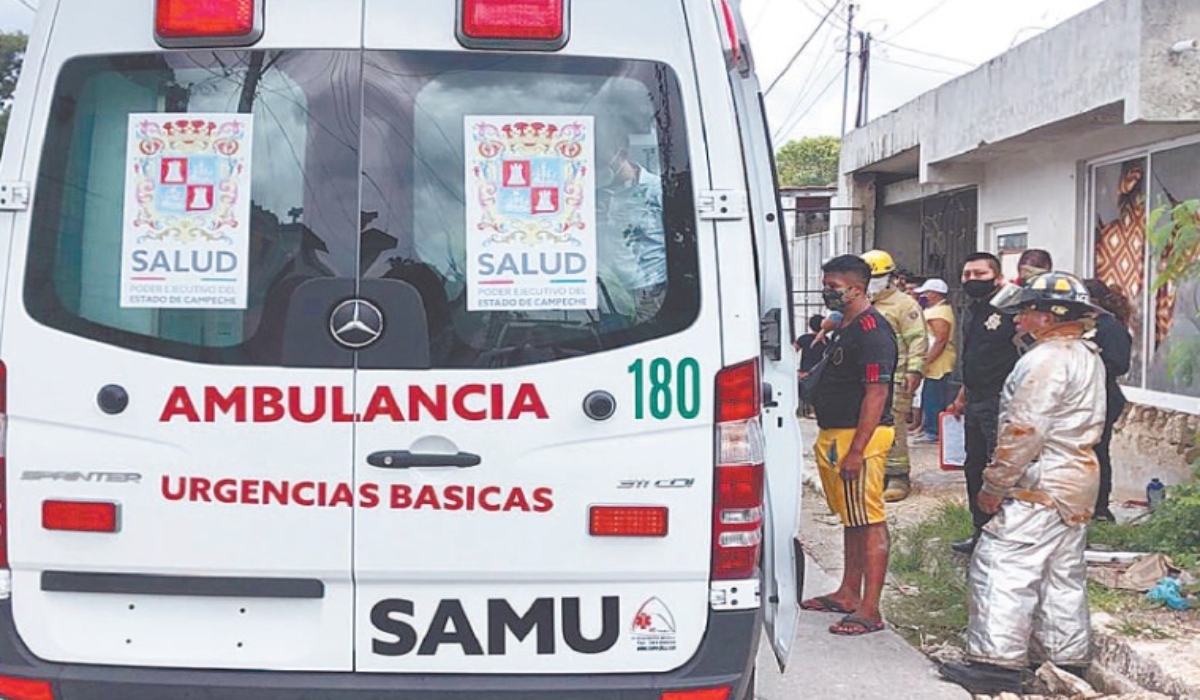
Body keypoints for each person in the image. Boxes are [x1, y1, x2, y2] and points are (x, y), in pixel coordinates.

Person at [939, 271, 1106, 695]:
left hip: (1041, 481)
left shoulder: (1045, 360)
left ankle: (995, 663)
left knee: (1002, 564)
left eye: (1026, 312)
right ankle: (1065, 658)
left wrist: (994, 483)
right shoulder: (1086, 354)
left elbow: (1025, 430)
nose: (1017, 319)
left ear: (1050, 317)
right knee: (1060, 572)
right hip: (1076, 481)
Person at [799, 254, 897, 636]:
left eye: (833, 287)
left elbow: (876, 393)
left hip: (860, 437)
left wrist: (857, 450)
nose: (827, 292)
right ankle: (847, 592)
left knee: (868, 519)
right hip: (836, 433)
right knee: (852, 518)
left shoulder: (873, 331)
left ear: (857, 288)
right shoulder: (846, 326)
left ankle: (869, 609)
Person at [946, 252, 1020, 554]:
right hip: (975, 399)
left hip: (1001, 401)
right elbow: (973, 356)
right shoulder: (971, 310)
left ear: (997, 277)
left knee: (999, 468)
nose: (972, 280)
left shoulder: (1011, 309)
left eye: (979, 274)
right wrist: (962, 394)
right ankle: (981, 531)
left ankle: (1007, 534)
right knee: (974, 467)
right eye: (967, 275)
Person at [861, 249, 928, 502]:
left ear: (889, 277)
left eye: (877, 277)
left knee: (895, 425)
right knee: (869, 424)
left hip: (896, 376)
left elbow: (917, 340)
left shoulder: (904, 305)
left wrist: (915, 370)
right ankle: (875, 473)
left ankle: (899, 476)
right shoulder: (862, 302)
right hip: (867, 377)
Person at [1083, 278, 1133, 522]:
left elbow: (1119, 364)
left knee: (1097, 450)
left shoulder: (1109, 327)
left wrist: (1088, 363)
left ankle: (1100, 508)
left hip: (1103, 396)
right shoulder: (1083, 325)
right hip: (1084, 396)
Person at [599, 147, 666, 323]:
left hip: (649, 289)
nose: (600, 167)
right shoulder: (598, 194)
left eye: (603, 161)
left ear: (621, 155)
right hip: (610, 288)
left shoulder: (656, 189)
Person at [912, 278, 957, 442]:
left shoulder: (940, 313)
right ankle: (927, 427)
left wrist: (926, 360)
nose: (923, 296)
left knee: (933, 396)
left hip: (938, 363)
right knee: (927, 395)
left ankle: (933, 431)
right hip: (932, 361)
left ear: (935, 294)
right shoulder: (934, 309)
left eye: (926, 293)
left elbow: (940, 340)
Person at [795, 314, 828, 418]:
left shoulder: (804, 338)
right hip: (820, 372)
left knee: (805, 391)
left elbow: (792, 351)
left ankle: (807, 410)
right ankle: (817, 411)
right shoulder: (827, 341)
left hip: (805, 371)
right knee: (819, 391)